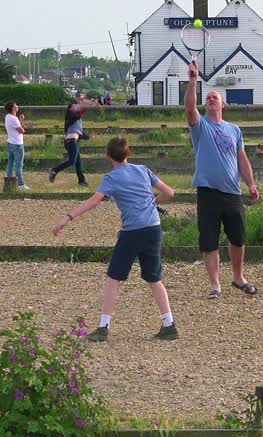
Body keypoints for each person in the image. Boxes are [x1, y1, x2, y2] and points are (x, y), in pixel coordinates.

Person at [52, 136, 178, 341]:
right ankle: (169, 324)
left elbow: (93, 201)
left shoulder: (110, 178)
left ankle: (103, 327)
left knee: (113, 279)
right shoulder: (143, 170)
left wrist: (68, 217)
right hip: (154, 228)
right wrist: (153, 202)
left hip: (132, 231)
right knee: (154, 278)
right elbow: (170, 193)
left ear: (108, 155)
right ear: (129, 153)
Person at [185, 61, 261, 299]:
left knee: (238, 237)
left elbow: (242, 159)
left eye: (214, 97)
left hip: (232, 192)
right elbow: (189, 108)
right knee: (209, 241)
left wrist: (251, 184)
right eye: (207, 97)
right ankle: (215, 285)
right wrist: (193, 80)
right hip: (208, 192)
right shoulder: (200, 126)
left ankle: (239, 278)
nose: (210, 99)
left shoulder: (234, 130)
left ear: (223, 104)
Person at [48, 100, 91, 187]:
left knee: (78, 163)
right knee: (72, 161)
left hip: (73, 141)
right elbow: (79, 113)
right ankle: (54, 170)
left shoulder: (76, 119)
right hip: (71, 142)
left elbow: (80, 133)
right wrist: (85, 104)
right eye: (74, 106)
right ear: (71, 109)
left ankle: (81, 181)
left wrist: (88, 136)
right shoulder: (71, 116)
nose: (77, 107)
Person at [4, 101, 29, 191]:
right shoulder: (14, 119)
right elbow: (22, 131)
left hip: (10, 142)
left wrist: (21, 121)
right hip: (17, 144)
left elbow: (19, 128)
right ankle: (21, 185)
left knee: (10, 163)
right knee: (19, 165)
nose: (17, 106)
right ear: (13, 108)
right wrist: (20, 122)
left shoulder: (8, 117)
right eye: (15, 105)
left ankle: (9, 182)